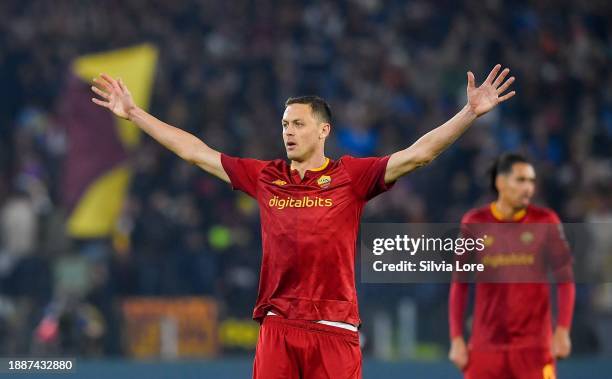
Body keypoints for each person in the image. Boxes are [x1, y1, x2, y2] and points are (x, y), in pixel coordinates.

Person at [92, 64, 515, 379]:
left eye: (297, 124)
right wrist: (134, 114)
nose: (288, 132)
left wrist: (469, 114)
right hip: (278, 326)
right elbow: (195, 151)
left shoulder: (351, 177)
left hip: (334, 329)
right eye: (284, 125)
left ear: (323, 130)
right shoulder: (266, 177)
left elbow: (418, 154)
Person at [448, 153, 576, 379]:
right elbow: (460, 284)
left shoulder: (545, 221)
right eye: (521, 180)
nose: (528, 188)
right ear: (500, 182)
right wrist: (457, 338)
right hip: (485, 348)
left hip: (534, 349)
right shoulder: (475, 222)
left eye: (532, 181)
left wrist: (563, 331)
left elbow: (565, 280)